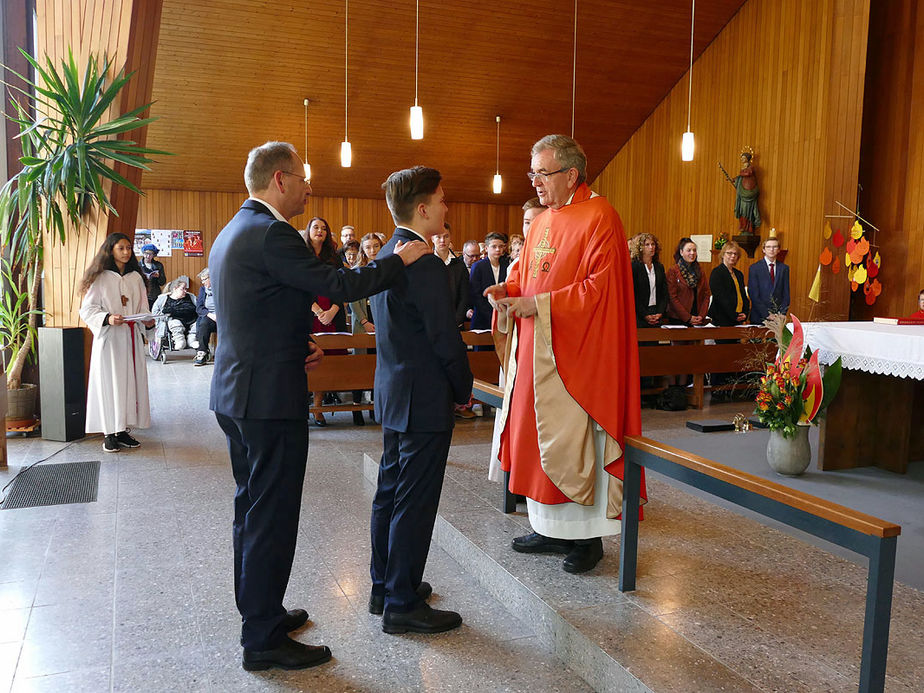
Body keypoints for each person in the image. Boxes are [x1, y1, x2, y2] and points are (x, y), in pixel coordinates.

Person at [208, 141, 427, 671]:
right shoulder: (271, 232)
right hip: (266, 399)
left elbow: (254, 308)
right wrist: (397, 259)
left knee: (252, 509)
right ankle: (261, 641)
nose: (310, 187)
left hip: (239, 390)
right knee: (272, 516)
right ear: (280, 180)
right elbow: (339, 285)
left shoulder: (234, 229)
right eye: (304, 178)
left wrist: (292, 342)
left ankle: (260, 612)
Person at [485, 134, 645, 574]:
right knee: (536, 440)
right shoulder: (541, 221)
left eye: (543, 173)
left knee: (574, 442)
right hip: (536, 348)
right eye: (533, 173)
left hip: (577, 354)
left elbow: (601, 289)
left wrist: (534, 305)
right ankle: (547, 527)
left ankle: (586, 540)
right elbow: (527, 276)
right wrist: (506, 290)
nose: (535, 181)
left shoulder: (601, 217)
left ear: (571, 174)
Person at [369, 166, 473, 634]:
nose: (447, 208)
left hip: (393, 392)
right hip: (424, 397)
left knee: (390, 493)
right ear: (424, 208)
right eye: (443, 199)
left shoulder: (389, 255)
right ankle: (402, 602)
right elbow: (443, 337)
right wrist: (464, 387)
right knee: (415, 500)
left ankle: (383, 586)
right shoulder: (425, 263)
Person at [79, 233, 156, 453]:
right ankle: (109, 433)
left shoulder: (135, 277)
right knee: (110, 384)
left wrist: (148, 321)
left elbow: (142, 308)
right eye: (121, 248)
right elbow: (87, 309)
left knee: (129, 384)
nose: (126, 252)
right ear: (110, 250)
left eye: (129, 248)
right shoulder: (100, 277)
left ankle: (122, 429)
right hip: (110, 340)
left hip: (130, 339)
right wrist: (107, 318)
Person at [303, 216, 348, 426]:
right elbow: (298, 283)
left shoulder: (334, 256)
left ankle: (318, 408)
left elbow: (342, 284)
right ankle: (303, 406)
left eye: (323, 228)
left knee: (327, 361)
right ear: (308, 231)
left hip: (332, 313)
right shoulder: (301, 254)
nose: (319, 231)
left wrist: (333, 309)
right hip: (308, 313)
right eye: (315, 227)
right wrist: (317, 309)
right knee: (307, 358)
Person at [347, 233, 383, 425]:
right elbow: (353, 301)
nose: (372, 250)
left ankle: (375, 405)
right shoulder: (356, 271)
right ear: (363, 250)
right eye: (368, 247)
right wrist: (364, 321)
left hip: (381, 324)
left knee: (378, 367)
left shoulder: (386, 270)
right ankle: (356, 406)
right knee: (359, 366)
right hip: (362, 324)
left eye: (375, 246)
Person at [708, 241, 750, 398]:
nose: (732, 256)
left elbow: (743, 296)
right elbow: (720, 297)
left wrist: (745, 312)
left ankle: (730, 387)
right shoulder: (717, 273)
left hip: (736, 320)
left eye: (735, 254)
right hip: (722, 319)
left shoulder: (738, 274)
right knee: (721, 355)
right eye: (729, 253)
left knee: (733, 355)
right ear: (723, 255)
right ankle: (717, 389)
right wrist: (734, 315)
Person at [432, 223, 470, 328]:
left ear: (450, 238)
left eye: (446, 236)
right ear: (432, 239)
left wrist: (456, 320)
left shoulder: (459, 265)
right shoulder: (426, 263)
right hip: (431, 323)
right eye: (438, 237)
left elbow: (464, 296)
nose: (442, 240)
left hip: (455, 324)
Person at [469, 232, 509, 330]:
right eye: (494, 246)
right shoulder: (478, 266)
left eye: (500, 246)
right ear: (486, 248)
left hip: (502, 316)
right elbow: (475, 294)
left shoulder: (506, 265)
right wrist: (492, 313)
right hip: (482, 318)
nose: (498, 249)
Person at [666, 237, 710, 326]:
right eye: (689, 250)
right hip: (678, 318)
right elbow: (672, 297)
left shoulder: (700, 270)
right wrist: (688, 317)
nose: (692, 253)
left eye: (694, 250)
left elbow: (706, 294)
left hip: (698, 318)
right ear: (681, 252)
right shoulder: (673, 271)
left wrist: (701, 316)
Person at [747, 236, 790, 324]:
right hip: (759, 316)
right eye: (768, 247)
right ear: (763, 250)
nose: (772, 249)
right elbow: (753, 294)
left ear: (778, 250)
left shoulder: (784, 268)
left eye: (775, 247)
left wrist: (782, 312)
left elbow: (786, 293)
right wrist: (767, 314)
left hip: (778, 317)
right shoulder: (754, 268)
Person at [629, 233, 668, 328]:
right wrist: (645, 315)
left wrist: (660, 312)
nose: (651, 247)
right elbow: (633, 293)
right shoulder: (634, 267)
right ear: (640, 248)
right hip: (640, 313)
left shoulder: (659, 267)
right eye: (647, 244)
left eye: (653, 244)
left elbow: (664, 292)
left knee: (655, 341)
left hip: (656, 312)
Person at [719, 147, 761, 234]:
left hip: (749, 192)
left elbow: (748, 173)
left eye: (743, 158)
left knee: (747, 210)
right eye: (741, 158)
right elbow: (740, 177)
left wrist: (741, 172)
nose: (742, 159)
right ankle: (743, 226)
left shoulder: (751, 168)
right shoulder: (744, 169)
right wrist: (733, 179)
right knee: (742, 210)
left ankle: (748, 227)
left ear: (747, 159)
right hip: (742, 192)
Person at [152, 277, 199, 351]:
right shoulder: (163, 299)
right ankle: (180, 340)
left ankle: (191, 340)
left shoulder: (191, 297)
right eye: (182, 289)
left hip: (191, 320)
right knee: (175, 323)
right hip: (174, 321)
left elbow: (198, 308)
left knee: (197, 324)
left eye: (186, 289)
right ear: (175, 289)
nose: (185, 291)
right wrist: (166, 317)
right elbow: (155, 313)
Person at [194, 268, 217, 366]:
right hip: (209, 316)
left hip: (222, 315)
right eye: (202, 280)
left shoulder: (222, 287)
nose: (203, 282)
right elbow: (199, 308)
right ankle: (202, 353)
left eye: (205, 279)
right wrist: (210, 314)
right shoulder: (203, 290)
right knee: (204, 324)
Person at [138, 243, 166, 308]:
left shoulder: (158, 265)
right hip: (141, 294)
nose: (148, 256)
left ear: (154, 255)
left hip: (154, 294)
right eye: (146, 253)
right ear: (143, 253)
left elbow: (163, 282)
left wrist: (158, 277)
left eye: (150, 254)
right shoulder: (138, 265)